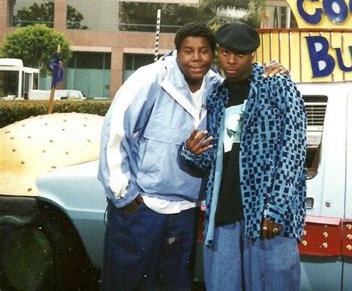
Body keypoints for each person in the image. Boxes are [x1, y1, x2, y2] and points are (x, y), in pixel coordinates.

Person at [97, 22, 287, 290]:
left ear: (213, 54)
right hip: (144, 208)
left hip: (186, 211)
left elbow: (246, 76)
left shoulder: (216, 87)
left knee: (174, 285)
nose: (196, 59)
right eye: (188, 51)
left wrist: (275, 69)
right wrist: (124, 196)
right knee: (127, 284)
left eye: (204, 52)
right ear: (177, 52)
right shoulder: (151, 78)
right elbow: (116, 132)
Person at [180, 22, 307, 291]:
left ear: (252, 55)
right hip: (224, 213)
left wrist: (276, 209)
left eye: (240, 55)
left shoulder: (278, 86)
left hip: (265, 215)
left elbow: (293, 151)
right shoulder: (216, 94)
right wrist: (189, 152)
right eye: (225, 53)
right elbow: (214, 156)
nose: (231, 61)